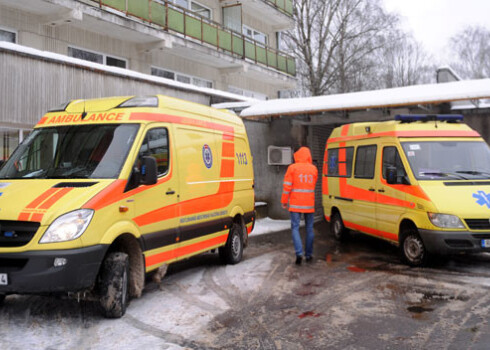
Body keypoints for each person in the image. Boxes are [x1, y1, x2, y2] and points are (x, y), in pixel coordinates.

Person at [281, 146, 318, 265]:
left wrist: (284, 201)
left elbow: (287, 186)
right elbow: (313, 184)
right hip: (309, 204)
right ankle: (308, 254)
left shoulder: (292, 168)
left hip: (296, 204)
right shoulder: (314, 169)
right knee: (309, 229)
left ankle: (299, 254)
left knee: (295, 228)